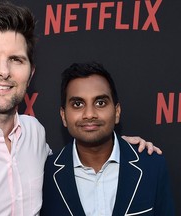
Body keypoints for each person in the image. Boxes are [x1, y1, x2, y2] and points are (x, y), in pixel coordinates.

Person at [0, 2, 161, 216]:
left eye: (16, 59)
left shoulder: (34, 134)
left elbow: (70, 160)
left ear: (30, 72)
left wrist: (115, 145)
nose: (3, 71)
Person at [40, 62, 175, 216]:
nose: (89, 114)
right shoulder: (45, 174)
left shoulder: (151, 166)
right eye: (77, 104)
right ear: (63, 116)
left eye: (100, 103)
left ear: (116, 112)